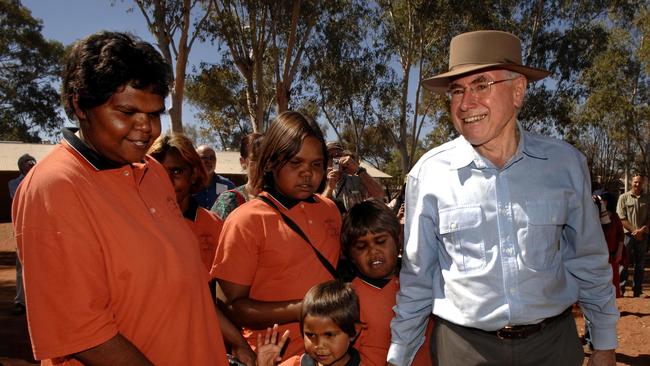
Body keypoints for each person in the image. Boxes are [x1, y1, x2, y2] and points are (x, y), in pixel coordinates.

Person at [388, 30, 618, 366]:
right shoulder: (430, 174)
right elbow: (417, 277)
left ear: (518, 91)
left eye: (481, 85)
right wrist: (399, 357)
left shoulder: (565, 165)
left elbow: (588, 260)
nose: (466, 104)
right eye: (457, 90)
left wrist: (604, 344)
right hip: (463, 350)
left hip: (552, 347)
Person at [11, 31, 228, 365]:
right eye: (127, 113)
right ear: (80, 105)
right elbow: (85, 335)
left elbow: (188, 286)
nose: (147, 129)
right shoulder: (54, 186)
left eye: (154, 113)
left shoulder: (151, 170)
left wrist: (230, 342)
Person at [211, 111, 342, 360]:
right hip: (272, 356)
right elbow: (229, 306)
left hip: (332, 354)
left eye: (316, 164)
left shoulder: (330, 210)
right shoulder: (246, 220)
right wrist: (303, 309)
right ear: (271, 162)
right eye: (295, 163)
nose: (307, 173)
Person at [149, 133, 256, 365]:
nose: (166, 180)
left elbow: (215, 299)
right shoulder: (138, 225)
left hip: (204, 341)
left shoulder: (214, 225)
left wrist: (237, 342)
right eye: (159, 171)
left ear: (194, 174)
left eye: (176, 171)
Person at [341, 199, 431, 366]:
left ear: (398, 239)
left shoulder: (421, 282)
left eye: (381, 241)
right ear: (350, 255)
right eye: (361, 246)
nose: (373, 251)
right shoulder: (349, 298)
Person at [256, 280, 362, 366]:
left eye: (329, 335)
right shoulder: (295, 364)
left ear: (354, 332)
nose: (319, 345)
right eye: (310, 335)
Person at [7, 153, 36, 316]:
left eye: (33, 162)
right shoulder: (14, 183)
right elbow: (21, 195)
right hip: (22, 229)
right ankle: (20, 301)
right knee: (22, 266)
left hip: (41, 228)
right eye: (27, 162)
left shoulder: (41, 177)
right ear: (20, 166)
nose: (31, 164)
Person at [212, 132, 264, 220]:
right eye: (255, 159)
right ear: (243, 162)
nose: (262, 165)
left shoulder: (281, 199)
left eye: (267, 159)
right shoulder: (229, 201)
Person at [322, 142, 384, 212]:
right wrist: (329, 188)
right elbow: (318, 210)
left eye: (337, 155)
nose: (334, 159)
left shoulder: (355, 180)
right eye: (330, 156)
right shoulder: (318, 183)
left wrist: (358, 169)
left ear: (343, 157)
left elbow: (379, 195)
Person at [616, 174, 650, 298]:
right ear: (631, 182)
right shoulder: (623, 198)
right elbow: (621, 217)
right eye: (635, 182)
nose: (637, 184)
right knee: (624, 263)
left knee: (640, 264)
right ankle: (621, 289)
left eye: (640, 182)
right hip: (627, 236)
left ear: (644, 184)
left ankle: (637, 291)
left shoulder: (647, 198)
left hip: (643, 236)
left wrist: (643, 230)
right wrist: (635, 231)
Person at [593, 191, 625, 297]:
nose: (602, 202)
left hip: (611, 257)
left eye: (604, 200)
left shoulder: (615, 216)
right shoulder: (591, 217)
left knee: (612, 284)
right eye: (600, 200)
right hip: (595, 258)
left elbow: (621, 235)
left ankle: (611, 310)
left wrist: (619, 251)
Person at [194, 144, 236, 209]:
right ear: (196, 160)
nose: (209, 161)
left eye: (212, 158)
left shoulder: (227, 186)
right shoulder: (188, 185)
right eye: (204, 158)